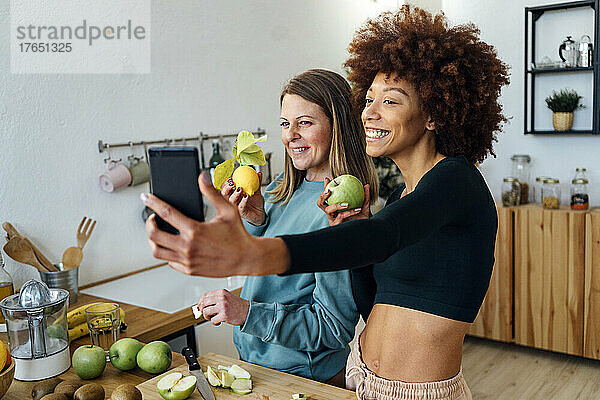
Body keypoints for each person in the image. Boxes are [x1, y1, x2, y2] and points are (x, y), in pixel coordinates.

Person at [142, 6, 509, 400]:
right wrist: (349, 232)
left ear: (434, 113)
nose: (369, 112)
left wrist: (251, 254)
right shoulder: (405, 196)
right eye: (369, 99)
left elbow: (384, 236)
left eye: (391, 101)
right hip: (363, 379)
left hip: (418, 392)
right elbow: (370, 305)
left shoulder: (456, 180)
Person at [191, 69, 379, 387]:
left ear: (338, 126)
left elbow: (334, 328)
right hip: (257, 368)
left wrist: (247, 314)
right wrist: (256, 221)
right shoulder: (280, 189)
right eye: (284, 123)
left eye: (304, 122)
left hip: (303, 381)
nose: (290, 134)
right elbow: (272, 276)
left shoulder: (341, 211)